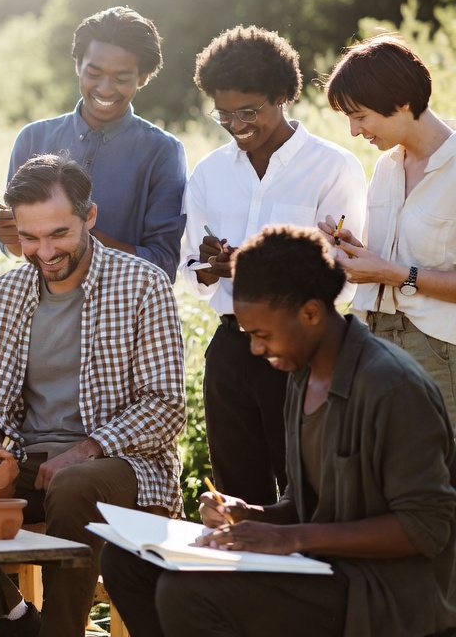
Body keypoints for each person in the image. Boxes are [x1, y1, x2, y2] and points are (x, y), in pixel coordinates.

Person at [101, 225, 456, 637]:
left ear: (311, 313)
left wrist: (292, 539)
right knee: (126, 563)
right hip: (322, 568)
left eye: (262, 335)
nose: (255, 349)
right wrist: (250, 515)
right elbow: (308, 505)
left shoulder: (391, 386)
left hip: (383, 594)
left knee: (188, 592)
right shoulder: (303, 376)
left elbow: (424, 528)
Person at [0, 154, 186, 637]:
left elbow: (165, 406)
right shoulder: (6, 292)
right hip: (29, 466)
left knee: (73, 484)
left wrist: (86, 450)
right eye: (30, 237)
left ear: (89, 217)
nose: (44, 251)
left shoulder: (143, 284)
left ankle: (61, 631)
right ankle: (13, 620)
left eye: (58, 234)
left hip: (124, 469)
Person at [179, 25, 367, 507]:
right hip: (230, 351)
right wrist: (211, 266)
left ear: (282, 95)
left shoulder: (333, 168)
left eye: (248, 112)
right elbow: (193, 274)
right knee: (237, 495)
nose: (236, 125)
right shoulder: (209, 173)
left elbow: (345, 277)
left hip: (303, 352)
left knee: (310, 493)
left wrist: (254, 268)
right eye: (223, 114)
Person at [321, 34, 456, 427]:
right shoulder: (385, 167)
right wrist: (355, 251)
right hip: (375, 342)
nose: (354, 130)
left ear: (401, 103)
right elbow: (392, 259)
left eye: (360, 116)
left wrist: (395, 274)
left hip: (438, 350)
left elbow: (397, 270)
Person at [0, 6, 186, 280]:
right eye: (94, 74)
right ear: (78, 66)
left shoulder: (162, 151)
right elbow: (15, 247)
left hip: (123, 302)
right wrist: (12, 236)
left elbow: (164, 263)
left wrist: (80, 236)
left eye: (121, 78)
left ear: (143, 78)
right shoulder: (32, 138)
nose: (105, 88)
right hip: (43, 301)